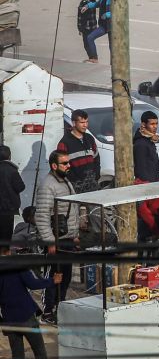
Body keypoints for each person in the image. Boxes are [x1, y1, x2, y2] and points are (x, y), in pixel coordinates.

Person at [0, 247, 62, 359]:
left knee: (17, 358)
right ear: (7, 250)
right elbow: (33, 284)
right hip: (26, 317)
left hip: (9, 319)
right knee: (40, 354)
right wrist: (52, 281)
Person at [33, 151, 78, 324]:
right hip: (55, 240)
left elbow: (72, 208)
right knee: (53, 276)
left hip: (66, 238)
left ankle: (60, 307)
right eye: (65, 163)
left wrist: (75, 235)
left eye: (68, 162)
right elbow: (42, 216)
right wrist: (50, 241)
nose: (69, 166)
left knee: (65, 277)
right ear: (54, 166)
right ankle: (48, 312)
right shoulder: (47, 185)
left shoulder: (65, 181)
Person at [132, 112, 159, 241]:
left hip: (152, 184)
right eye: (152, 124)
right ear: (144, 125)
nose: (155, 127)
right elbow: (142, 169)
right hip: (146, 186)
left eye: (156, 124)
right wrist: (150, 187)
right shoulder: (141, 144)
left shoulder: (149, 140)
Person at [57, 110, 100, 195]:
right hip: (76, 188)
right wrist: (76, 181)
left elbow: (96, 158)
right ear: (74, 123)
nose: (85, 125)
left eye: (87, 122)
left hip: (92, 185)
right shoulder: (64, 143)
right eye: (82, 122)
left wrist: (96, 176)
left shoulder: (89, 138)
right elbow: (62, 167)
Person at [80, 0, 111, 64]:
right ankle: (94, 58)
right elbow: (97, 4)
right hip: (103, 25)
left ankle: (113, 63)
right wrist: (87, 6)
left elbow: (117, 11)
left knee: (112, 47)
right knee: (90, 37)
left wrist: (107, 15)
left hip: (111, 26)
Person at [0, 146, 25, 244]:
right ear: (9, 156)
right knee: (6, 234)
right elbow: (20, 187)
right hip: (9, 209)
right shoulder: (12, 170)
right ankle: (5, 254)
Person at [75, 0, 99, 64]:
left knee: (87, 43)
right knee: (89, 41)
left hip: (87, 26)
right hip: (92, 25)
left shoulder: (86, 1)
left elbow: (83, 16)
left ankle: (93, 58)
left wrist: (81, 28)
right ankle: (92, 58)